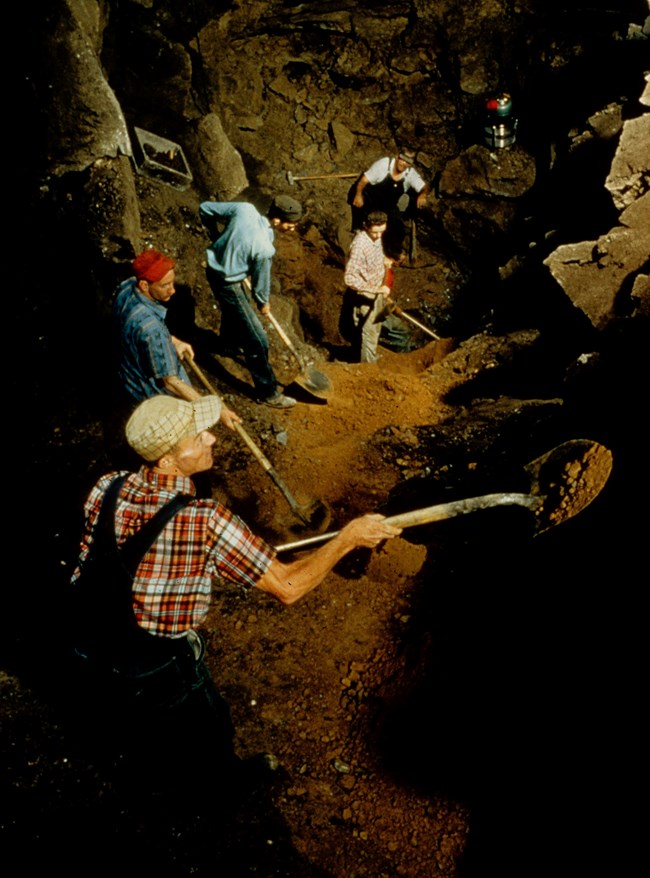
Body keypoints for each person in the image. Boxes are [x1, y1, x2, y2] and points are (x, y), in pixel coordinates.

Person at [69, 393, 401, 807]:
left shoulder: (108, 485)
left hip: (87, 640)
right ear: (168, 461)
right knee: (207, 727)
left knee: (133, 726)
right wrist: (348, 538)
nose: (211, 438)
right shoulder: (205, 520)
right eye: (197, 437)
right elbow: (288, 586)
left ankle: (145, 773)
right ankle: (217, 790)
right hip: (153, 662)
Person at [113, 248, 239, 429]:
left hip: (129, 378)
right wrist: (216, 410)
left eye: (172, 282)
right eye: (165, 285)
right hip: (151, 394)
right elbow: (171, 382)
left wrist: (173, 341)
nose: (172, 290)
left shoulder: (126, 288)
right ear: (144, 285)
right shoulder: (152, 329)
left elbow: (139, 330)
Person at [199, 196, 304, 409]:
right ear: (277, 220)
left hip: (213, 270)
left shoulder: (244, 209)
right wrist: (263, 302)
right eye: (291, 224)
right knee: (257, 340)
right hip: (228, 282)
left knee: (234, 310)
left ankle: (228, 346)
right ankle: (268, 393)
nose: (293, 229)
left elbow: (205, 209)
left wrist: (215, 235)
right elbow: (260, 283)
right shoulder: (264, 248)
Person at [349, 148, 430, 258]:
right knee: (365, 215)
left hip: (388, 205)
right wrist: (358, 195)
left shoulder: (410, 174)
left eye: (408, 162)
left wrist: (423, 195)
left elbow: (425, 187)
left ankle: (390, 253)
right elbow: (363, 181)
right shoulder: (383, 165)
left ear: (410, 165)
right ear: (397, 156)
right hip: (370, 200)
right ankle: (357, 233)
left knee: (398, 228)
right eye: (402, 159)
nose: (404, 163)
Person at [342, 211, 393, 363]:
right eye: (375, 232)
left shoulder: (376, 238)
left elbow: (372, 258)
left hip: (377, 292)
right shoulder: (359, 245)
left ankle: (364, 360)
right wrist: (376, 290)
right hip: (366, 296)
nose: (378, 236)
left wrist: (384, 260)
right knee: (370, 335)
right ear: (366, 227)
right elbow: (349, 278)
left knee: (374, 331)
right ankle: (368, 369)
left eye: (382, 231)